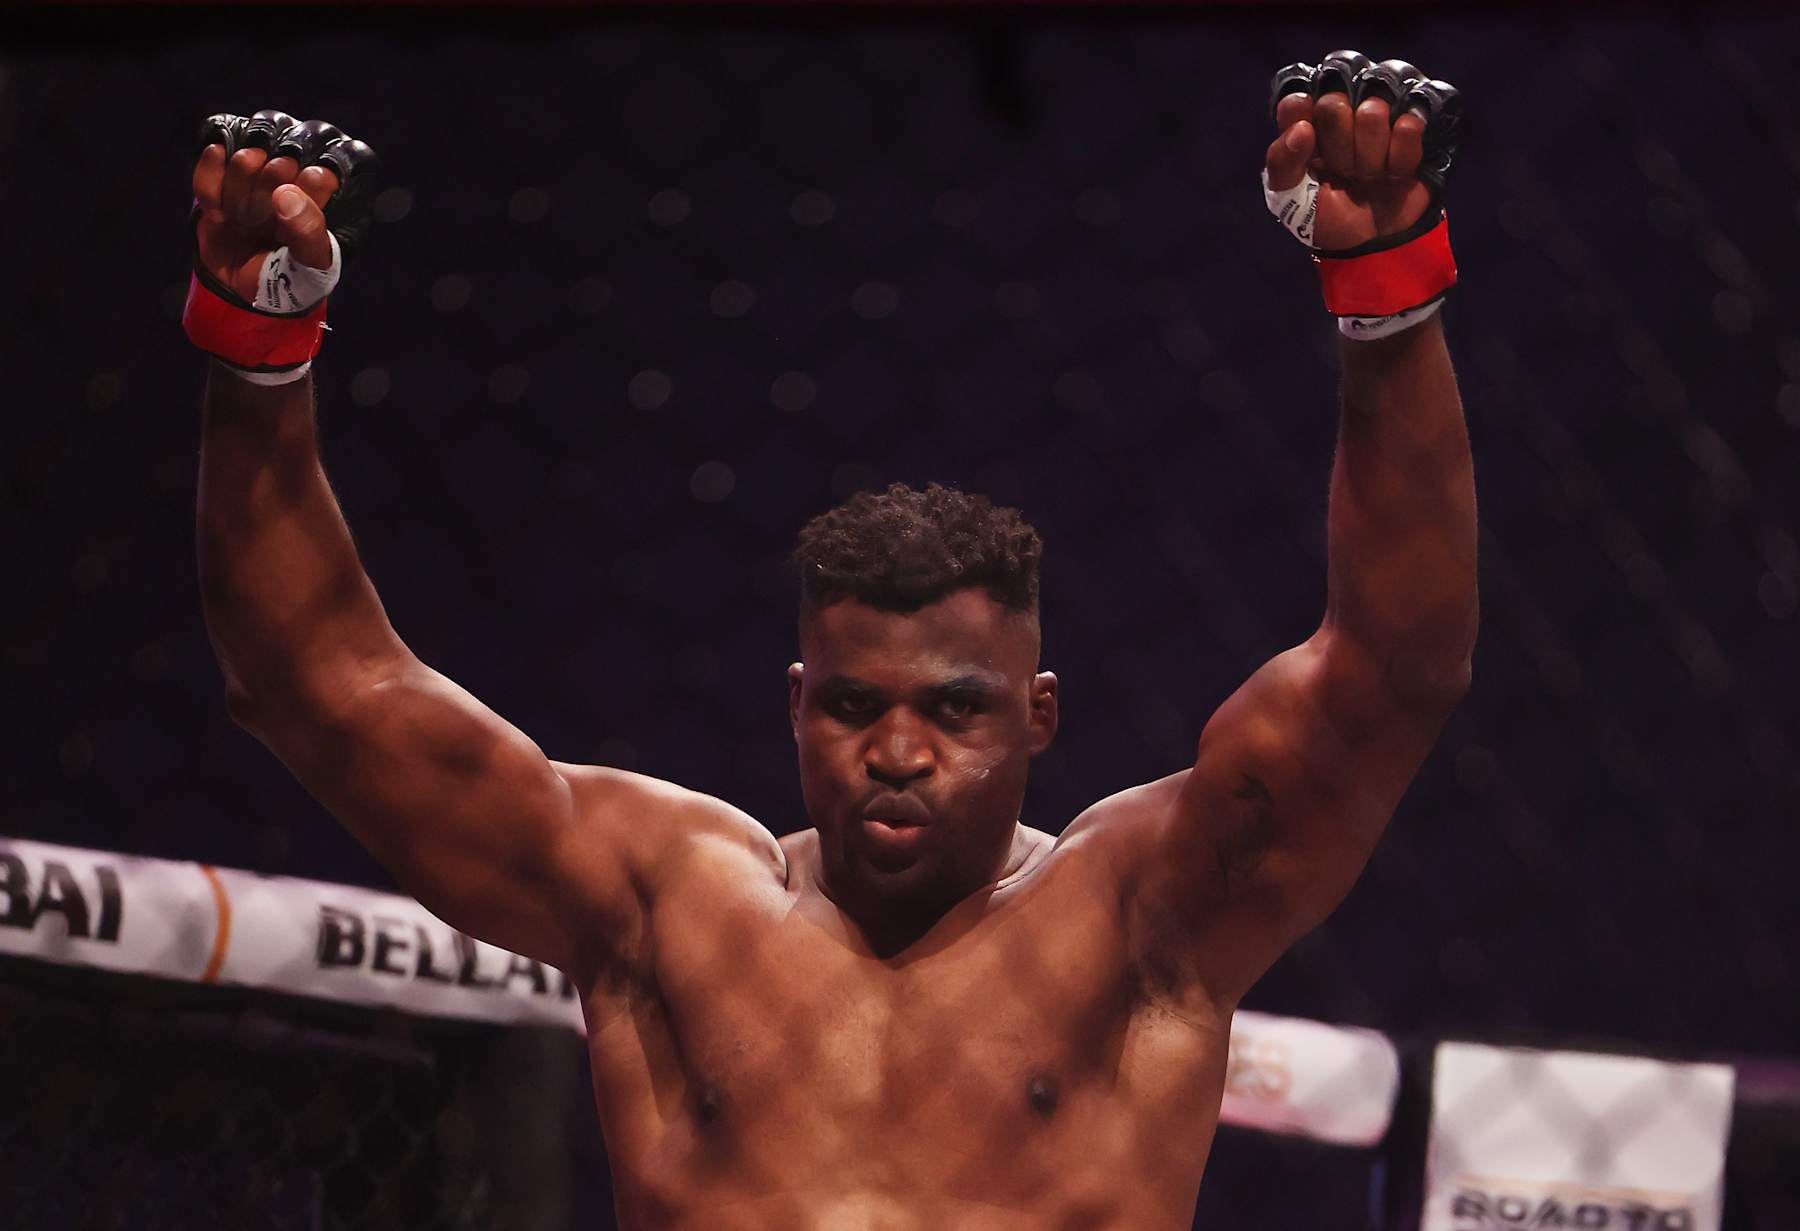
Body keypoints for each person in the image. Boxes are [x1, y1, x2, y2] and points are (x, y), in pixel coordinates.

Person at [189, 52, 1476, 1230]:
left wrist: (1390, 297)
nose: (899, 752)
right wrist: (257, 354)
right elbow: (313, 686)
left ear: (1039, 712)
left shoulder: (1142, 916)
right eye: (856, 707)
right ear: (796, 701)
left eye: (956, 711)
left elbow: (1392, 675)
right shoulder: (666, 902)